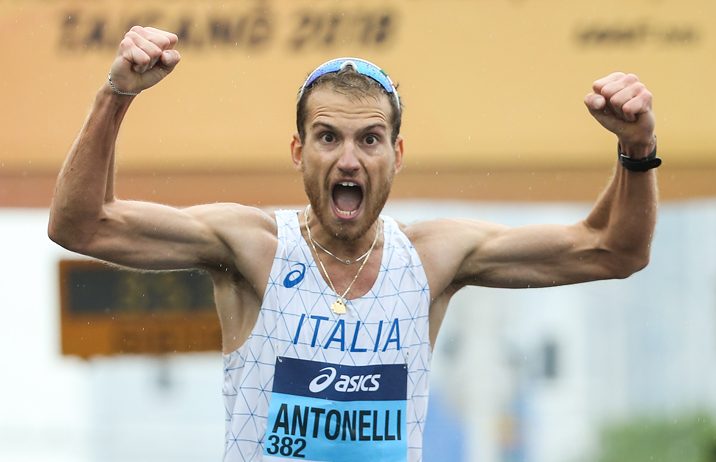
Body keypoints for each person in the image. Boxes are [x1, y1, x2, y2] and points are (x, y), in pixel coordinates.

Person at [48, 25, 659, 462]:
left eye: (369, 140)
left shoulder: (433, 258)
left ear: (396, 155)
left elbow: (613, 249)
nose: (349, 159)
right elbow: (81, 224)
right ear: (298, 151)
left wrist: (636, 147)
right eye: (327, 137)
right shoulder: (252, 246)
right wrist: (117, 93)